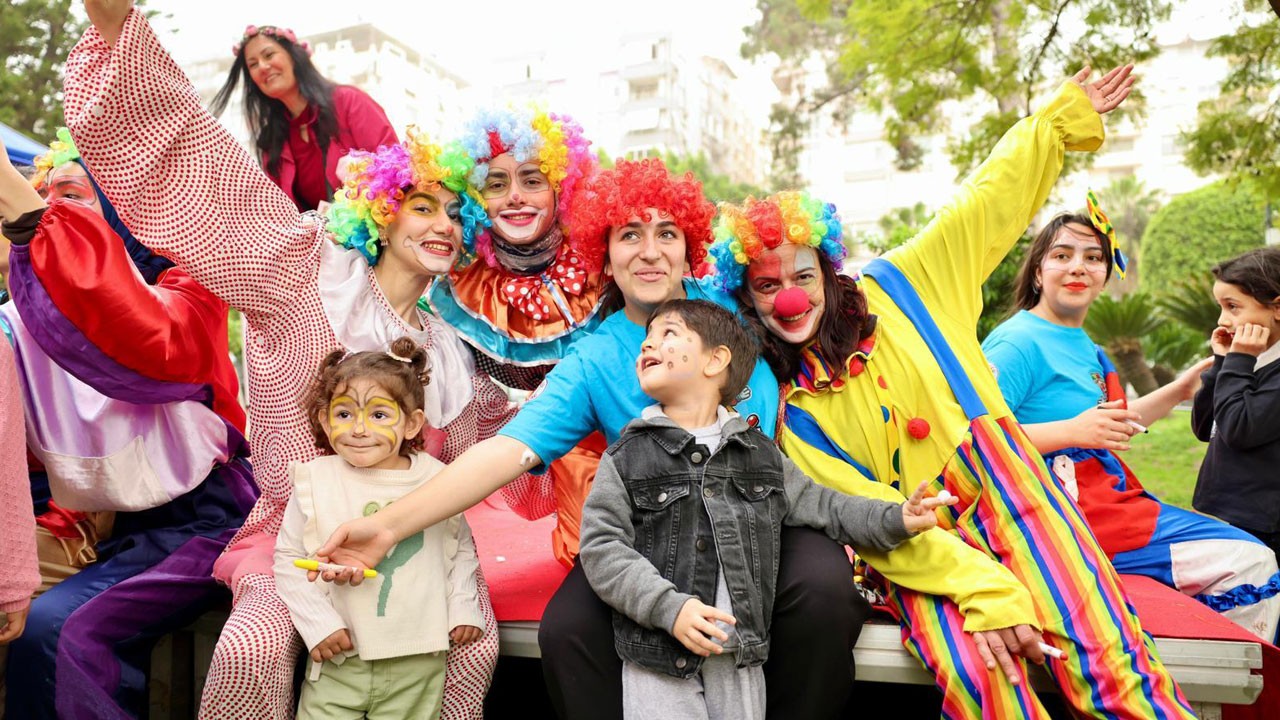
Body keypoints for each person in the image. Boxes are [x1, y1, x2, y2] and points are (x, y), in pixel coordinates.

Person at [316, 157, 1040, 720]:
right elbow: (507, 452)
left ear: (690, 249)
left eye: (667, 233)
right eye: (629, 234)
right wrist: (389, 526)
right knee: (568, 631)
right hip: (652, 536)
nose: (650, 250)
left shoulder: (738, 312)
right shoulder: (594, 358)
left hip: (766, 512)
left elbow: (821, 307)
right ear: (604, 254)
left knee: (824, 594)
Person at [68, 5, 518, 717]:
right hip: (291, 537)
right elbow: (209, 175)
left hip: (409, 543)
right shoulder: (308, 272)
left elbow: (508, 451)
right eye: (423, 207)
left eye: (458, 216)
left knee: (474, 647)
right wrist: (120, 24)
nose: (443, 226)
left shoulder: (452, 350)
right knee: (251, 651)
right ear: (383, 212)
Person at [707, 68, 1198, 718]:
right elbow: (869, 510)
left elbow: (987, 200)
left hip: (1004, 486)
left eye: (802, 276)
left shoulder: (904, 282)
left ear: (827, 269)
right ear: (747, 298)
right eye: (768, 286)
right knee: (982, 677)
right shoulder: (784, 407)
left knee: (1107, 656)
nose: (790, 298)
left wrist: (1057, 121)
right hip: (913, 537)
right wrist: (983, 589)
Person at [580, 298, 952, 720]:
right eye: (647, 338)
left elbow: (825, 505)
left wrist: (897, 518)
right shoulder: (626, 457)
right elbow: (602, 547)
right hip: (658, 657)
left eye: (668, 334)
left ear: (715, 360)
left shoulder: (760, 455)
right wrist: (669, 607)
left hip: (740, 660)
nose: (647, 345)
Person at [0, 130, 256, 719]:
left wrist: (22, 206)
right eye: (45, 195)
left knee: (59, 632)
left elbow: (141, 333)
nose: (54, 209)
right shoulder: (27, 316)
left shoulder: (190, 292)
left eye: (71, 195)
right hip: (92, 523)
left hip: (201, 521)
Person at [983, 204, 1280, 641]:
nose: (1078, 267)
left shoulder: (1082, 344)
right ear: (1037, 272)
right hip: (1062, 518)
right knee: (1251, 562)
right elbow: (968, 437)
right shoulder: (1017, 342)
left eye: (1093, 257)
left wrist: (1179, 390)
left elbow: (1109, 424)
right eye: (1062, 255)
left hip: (1107, 504)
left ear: (1106, 275)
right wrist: (1070, 431)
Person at [429, 106, 605, 566]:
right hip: (520, 451)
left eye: (532, 180)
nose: (515, 198)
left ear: (562, 190)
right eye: (496, 184)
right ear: (476, 200)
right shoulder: (460, 286)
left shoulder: (604, 262)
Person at [275, 338, 484, 719]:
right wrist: (318, 625)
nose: (359, 429)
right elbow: (288, 559)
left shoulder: (439, 481)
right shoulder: (314, 479)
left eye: (379, 415)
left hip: (417, 660)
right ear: (324, 419)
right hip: (340, 657)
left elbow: (461, 550)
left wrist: (463, 605)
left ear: (412, 424)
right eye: (344, 414)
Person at [210, 23, 396, 211]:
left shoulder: (348, 101)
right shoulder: (271, 142)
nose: (263, 67)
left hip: (378, 223)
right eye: (253, 64)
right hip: (317, 231)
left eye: (269, 55)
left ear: (294, 56)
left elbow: (394, 168)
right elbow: (280, 211)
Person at [1193, 247, 1280, 561]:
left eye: (1233, 307)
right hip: (1240, 516)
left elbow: (1239, 428)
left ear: (1277, 308)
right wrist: (1222, 362)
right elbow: (1205, 426)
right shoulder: (1247, 361)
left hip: (1268, 523)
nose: (1222, 320)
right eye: (1220, 307)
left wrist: (1239, 360)